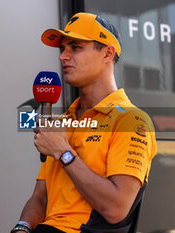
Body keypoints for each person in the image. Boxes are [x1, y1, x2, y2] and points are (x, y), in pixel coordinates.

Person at [11, 12, 157, 233]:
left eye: (75, 47)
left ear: (108, 53)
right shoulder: (62, 122)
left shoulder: (132, 120)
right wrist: (22, 228)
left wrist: (63, 152)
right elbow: (40, 197)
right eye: (62, 48)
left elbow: (116, 208)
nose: (63, 56)